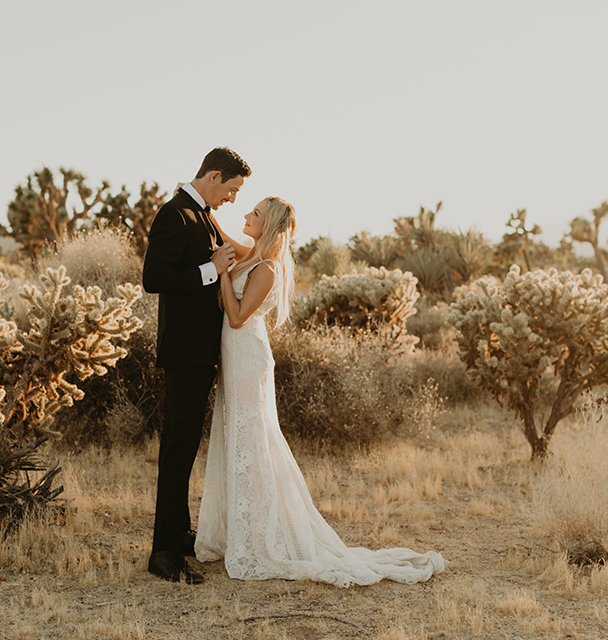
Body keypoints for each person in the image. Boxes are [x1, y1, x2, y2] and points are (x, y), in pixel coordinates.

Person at [195, 197, 446, 587]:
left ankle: (262, 536)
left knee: (253, 441)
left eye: (255, 214)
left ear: (272, 226)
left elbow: (238, 316)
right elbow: (224, 242)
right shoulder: (253, 254)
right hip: (235, 357)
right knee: (238, 438)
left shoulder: (267, 269)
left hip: (247, 357)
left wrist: (223, 273)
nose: (246, 215)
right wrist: (204, 212)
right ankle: (240, 529)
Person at [142, 147, 252, 584]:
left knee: (186, 448)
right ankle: (163, 553)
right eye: (233, 189)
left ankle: (179, 534)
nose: (233, 198)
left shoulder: (200, 213)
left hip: (200, 353)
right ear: (214, 175)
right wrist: (210, 270)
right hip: (185, 353)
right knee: (177, 449)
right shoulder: (175, 213)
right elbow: (155, 278)